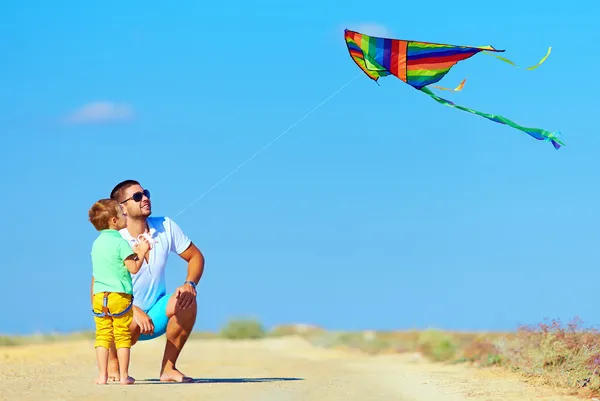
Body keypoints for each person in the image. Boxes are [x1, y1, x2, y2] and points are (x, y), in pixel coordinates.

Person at [91, 179, 205, 383]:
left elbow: (196, 256)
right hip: (125, 313)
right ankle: (114, 363)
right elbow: (98, 286)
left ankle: (168, 369)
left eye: (146, 194)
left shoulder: (166, 225)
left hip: (157, 312)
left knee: (187, 300)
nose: (145, 198)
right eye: (137, 196)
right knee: (120, 321)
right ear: (122, 208)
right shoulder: (115, 238)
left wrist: (190, 284)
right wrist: (132, 309)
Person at [88, 198, 151, 385]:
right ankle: (124, 376)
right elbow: (133, 268)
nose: (125, 216)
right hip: (119, 296)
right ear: (114, 221)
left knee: (102, 336)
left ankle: (102, 376)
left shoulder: (96, 244)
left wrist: (134, 251)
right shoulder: (121, 242)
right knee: (122, 335)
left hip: (99, 296)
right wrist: (142, 251)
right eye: (122, 214)